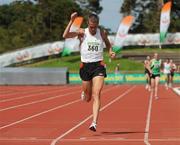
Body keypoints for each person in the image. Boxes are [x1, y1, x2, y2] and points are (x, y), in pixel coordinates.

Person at [63, 12, 116, 132]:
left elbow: (108, 44)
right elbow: (65, 35)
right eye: (91, 27)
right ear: (88, 23)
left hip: (98, 66)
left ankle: (94, 122)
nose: (93, 29)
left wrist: (111, 52)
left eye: (95, 27)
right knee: (87, 98)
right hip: (85, 66)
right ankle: (84, 92)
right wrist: (71, 21)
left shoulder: (101, 32)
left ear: (98, 25)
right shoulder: (82, 32)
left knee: (96, 94)